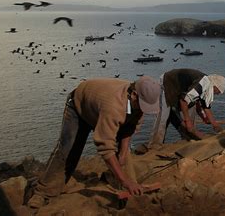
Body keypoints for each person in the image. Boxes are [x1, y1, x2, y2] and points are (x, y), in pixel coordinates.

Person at [28, 76, 161, 208]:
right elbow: (105, 147)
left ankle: (124, 185)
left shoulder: (138, 103)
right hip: (79, 107)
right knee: (68, 149)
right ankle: (43, 192)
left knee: (125, 154)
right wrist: (125, 181)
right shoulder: (114, 105)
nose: (145, 110)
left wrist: (122, 154)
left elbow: (129, 128)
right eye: (144, 105)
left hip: (100, 109)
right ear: (133, 95)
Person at [149, 69, 225, 146]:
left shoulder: (207, 88)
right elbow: (183, 100)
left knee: (190, 111)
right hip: (168, 83)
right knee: (164, 116)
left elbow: (206, 107)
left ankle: (188, 138)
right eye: (218, 91)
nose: (218, 94)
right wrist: (188, 121)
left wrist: (215, 125)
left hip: (182, 90)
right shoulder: (201, 84)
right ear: (215, 86)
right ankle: (155, 144)